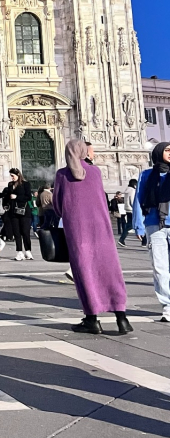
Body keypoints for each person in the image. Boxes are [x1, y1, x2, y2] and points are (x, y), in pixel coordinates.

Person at [53, 139, 132, 334]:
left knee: (85, 271)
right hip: (102, 229)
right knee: (109, 270)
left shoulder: (62, 175)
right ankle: (122, 318)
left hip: (78, 231)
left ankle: (92, 319)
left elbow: (57, 205)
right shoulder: (95, 172)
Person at [133, 143, 170, 322]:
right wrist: (138, 225)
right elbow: (138, 199)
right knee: (159, 267)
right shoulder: (147, 175)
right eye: (167, 150)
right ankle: (168, 305)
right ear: (158, 153)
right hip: (154, 225)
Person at [2, 168, 33, 261]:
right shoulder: (10, 184)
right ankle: (19, 251)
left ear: (18, 175)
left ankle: (28, 250)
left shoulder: (25, 184)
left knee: (25, 232)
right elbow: (8, 196)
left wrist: (17, 197)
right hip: (13, 211)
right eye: (11, 176)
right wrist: (5, 203)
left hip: (24, 211)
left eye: (13, 176)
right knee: (16, 232)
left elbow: (28, 197)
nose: (12, 178)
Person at [118, 179, 138, 246]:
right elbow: (132, 201)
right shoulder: (132, 191)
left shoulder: (127, 190)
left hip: (127, 209)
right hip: (132, 210)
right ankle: (121, 239)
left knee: (130, 225)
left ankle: (144, 240)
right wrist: (136, 208)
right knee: (131, 225)